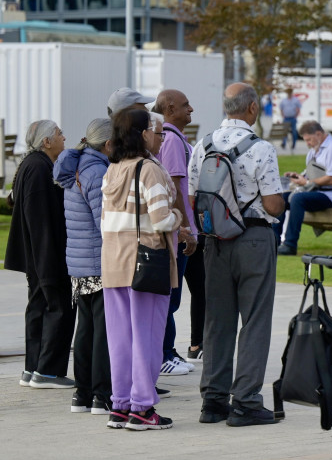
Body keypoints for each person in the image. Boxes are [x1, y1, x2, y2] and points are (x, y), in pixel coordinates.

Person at [188, 82, 284, 427]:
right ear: (253, 108)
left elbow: (193, 196)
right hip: (254, 238)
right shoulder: (260, 149)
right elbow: (272, 203)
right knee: (255, 320)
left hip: (215, 240)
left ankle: (213, 401)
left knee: (217, 321)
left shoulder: (203, 145)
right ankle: (245, 401)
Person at [101, 108, 181, 430]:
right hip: (146, 263)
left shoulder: (113, 170)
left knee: (120, 338)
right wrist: (179, 223)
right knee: (147, 337)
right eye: (154, 130)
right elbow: (162, 218)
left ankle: (120, 404)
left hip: (114, 262)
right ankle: (143, 409)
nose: (157, 135)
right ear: (142, 133)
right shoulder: (148, 169)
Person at [6, 120, 75, 389]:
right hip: (46, 256)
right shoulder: (38, 167)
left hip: (40, 256)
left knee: (39, 308)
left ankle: (33, 369)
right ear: (46, 141)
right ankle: (47, 372)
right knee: (58, 308)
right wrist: (47, 263)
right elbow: (39, 221)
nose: (63, 137)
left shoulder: (35, 164)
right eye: (59, 134)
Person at [53, 118, 114, 414]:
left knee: (87, 329)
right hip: (98, 262)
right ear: (108, 144)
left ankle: (83, 394)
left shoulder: (76, 168)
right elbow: (106, 223)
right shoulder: (98, 172)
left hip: (78, 262)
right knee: (101, 331)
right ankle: (102, 395)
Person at [154, 91, 200, 375]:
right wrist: (184, 227)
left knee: (171, 296)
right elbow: (174, 186)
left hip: (176, 230)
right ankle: (164, 354)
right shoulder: (171, 140)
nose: (191, 108)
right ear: (170, 109)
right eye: (185, 105)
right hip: (176, 233)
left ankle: (167, 352)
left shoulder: (172, 138)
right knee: (169, 297)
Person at [275, 120, 332, 255]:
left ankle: (290, 245)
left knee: (297, 199)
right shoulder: (314, 151)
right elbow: (310, 174)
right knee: (282, 198)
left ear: (319, 134)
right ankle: (274, 241)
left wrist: (307, 183)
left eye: (309, 140)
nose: (307, 143)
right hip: (316, 191)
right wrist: (298, 177)